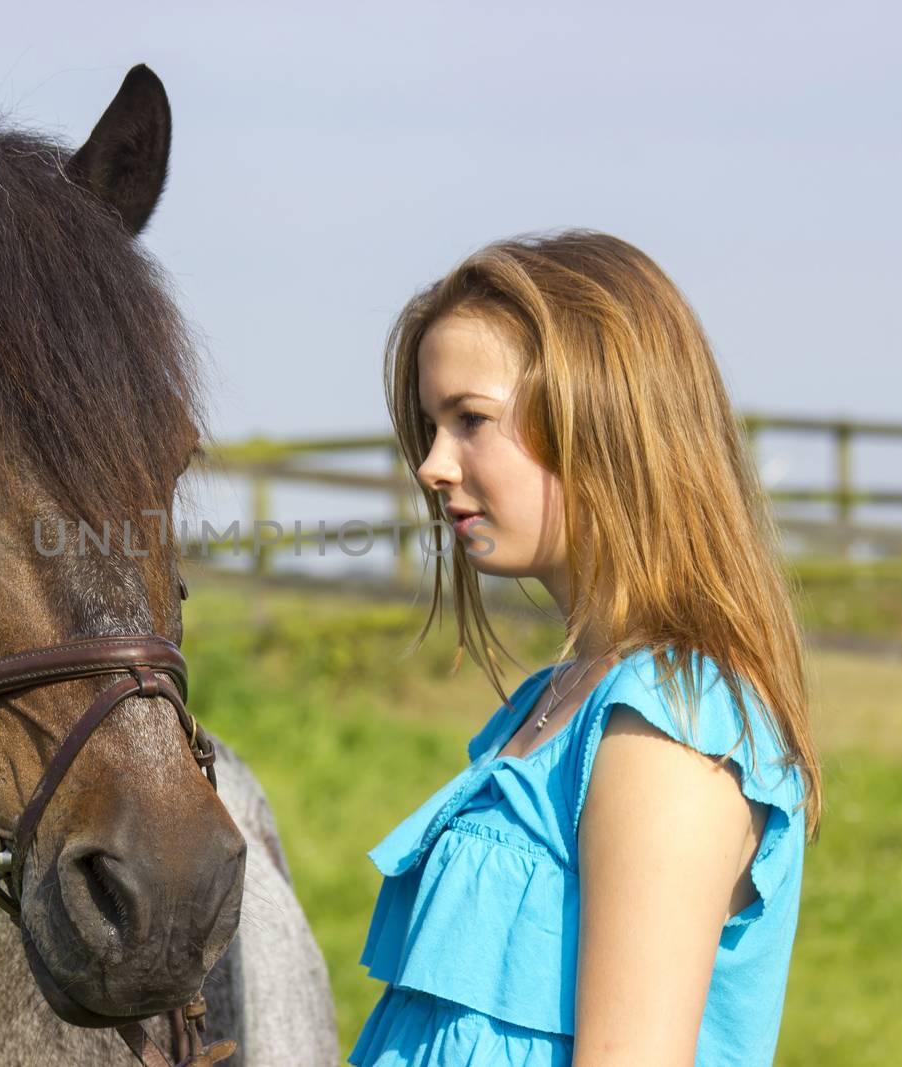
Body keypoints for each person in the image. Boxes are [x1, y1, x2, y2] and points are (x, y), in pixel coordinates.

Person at [350, 231, 822, 1066]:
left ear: (600, 418)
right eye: (431, 425)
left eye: (471, 420)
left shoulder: (670, 723)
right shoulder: (550, 701)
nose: (430, 464)